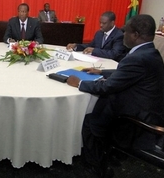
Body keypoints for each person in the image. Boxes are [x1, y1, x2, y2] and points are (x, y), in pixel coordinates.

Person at [66, 14, 164, 177]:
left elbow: (108, 87)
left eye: (125, 32)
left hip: (140, 122)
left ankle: (95, 167)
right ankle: (109, 155)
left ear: (136, 35)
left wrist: (79, 83)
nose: (123, 34)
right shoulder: (149, 52)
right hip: (150, 109)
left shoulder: (137, 58)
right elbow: (127, 74)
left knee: (91, 119)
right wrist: (102, 71)